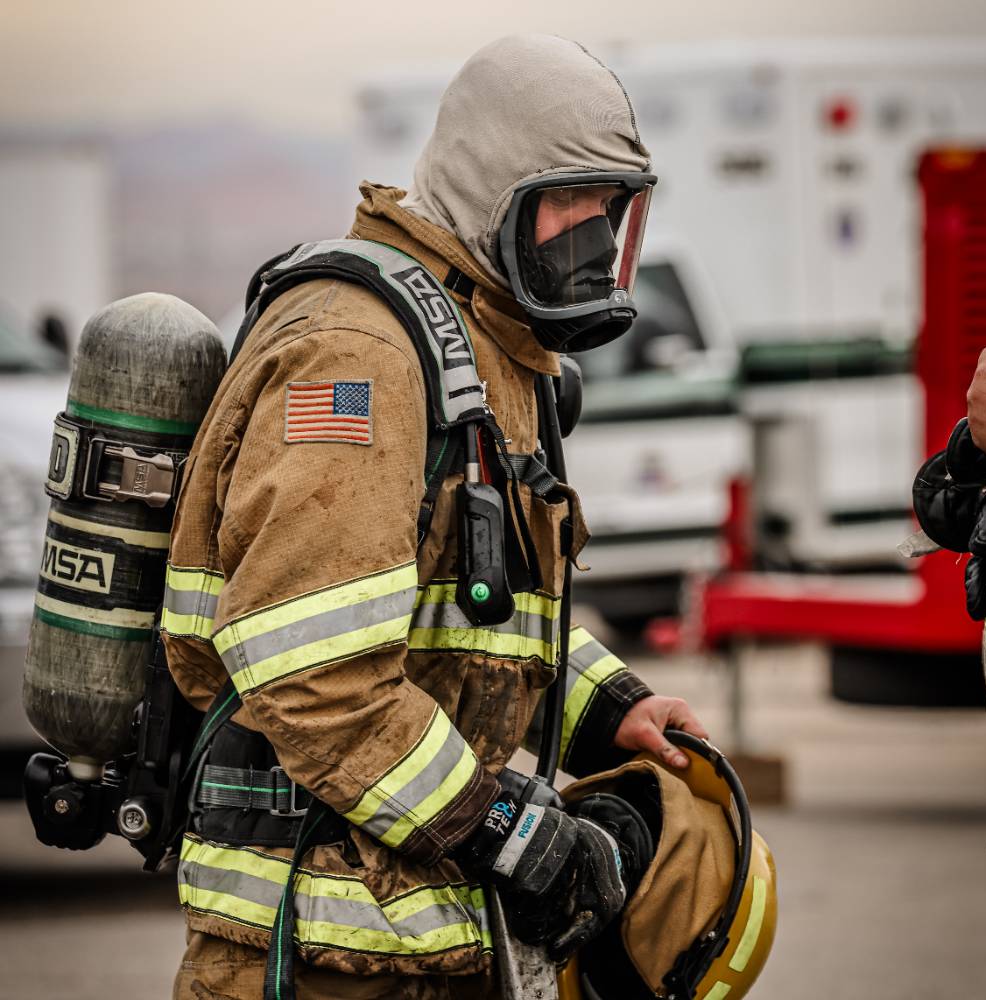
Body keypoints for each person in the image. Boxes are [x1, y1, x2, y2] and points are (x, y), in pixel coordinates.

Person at [163, 34, 709, 1000]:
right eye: (568, 204)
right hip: (320, 950)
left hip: (421, 947)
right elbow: (319, 679)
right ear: (491, 192)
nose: (593, 233)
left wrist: (610, 711)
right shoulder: (355, 354)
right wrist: (509, 832)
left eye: (612, 209)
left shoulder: (485, 337)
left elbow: (469, 616)